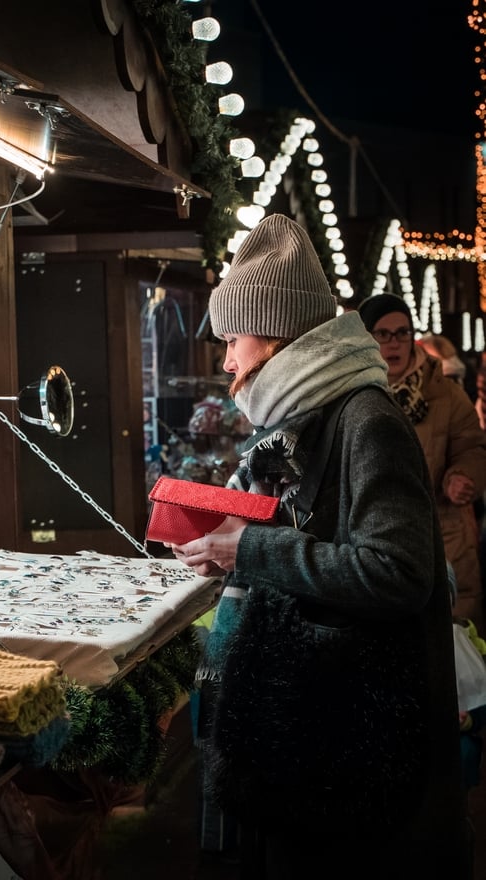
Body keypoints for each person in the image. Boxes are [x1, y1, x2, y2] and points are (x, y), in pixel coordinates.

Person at [168, 213, 467, 879]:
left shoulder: (366, 421)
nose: (226, 360)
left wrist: (251, 549)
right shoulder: (314, 417)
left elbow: (397, 573)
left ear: (272, 338)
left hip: (360, 744)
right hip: (333, 732)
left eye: (234, 340)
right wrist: (243, 529)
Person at [358, 294, 486, 631]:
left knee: (455, 641)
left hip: (443, 535)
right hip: (373, 539)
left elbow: (472, 447)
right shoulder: (352, 392)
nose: (394, 343)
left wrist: (462, 476)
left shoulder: (444, 392)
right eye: (382, 334)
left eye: (402, 332)